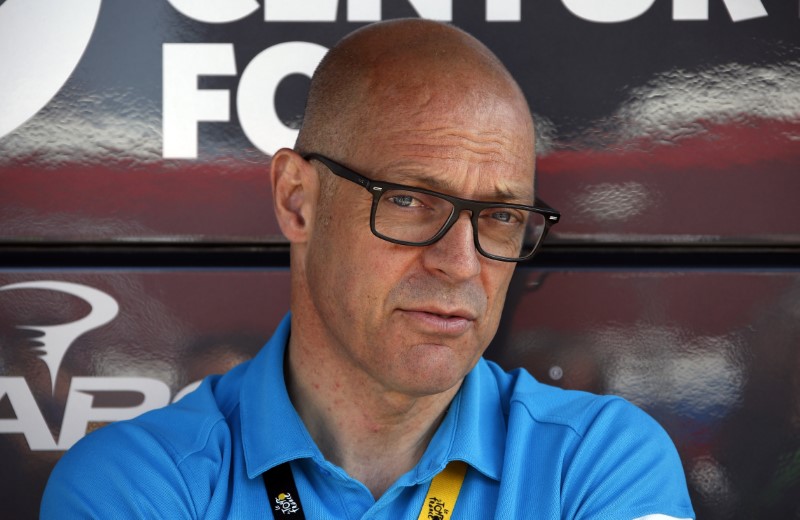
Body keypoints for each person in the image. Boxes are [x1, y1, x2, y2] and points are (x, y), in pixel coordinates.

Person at [42, 19, 695, 519]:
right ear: (297, 200)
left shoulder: (602, 462)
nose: (460, 264)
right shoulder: (138, 482)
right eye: (410, 201)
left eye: (499, 217)